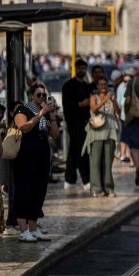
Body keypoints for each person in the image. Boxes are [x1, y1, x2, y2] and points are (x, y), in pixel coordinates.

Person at [10, 86, 56, 243]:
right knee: (25, 189)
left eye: (44, 94)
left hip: (42, 155)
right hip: (25, 156)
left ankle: (33, 228)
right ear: (31, 95)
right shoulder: (22, 110)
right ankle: (23, 230)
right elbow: (24, 127)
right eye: (39, 94)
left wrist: (52, 116)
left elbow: (54, 134)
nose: (42, 97)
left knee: (39, 190)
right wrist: (40, 114)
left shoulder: (46, 114)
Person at [60, 58, 93, 190]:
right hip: (73, 122)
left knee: (74, 150)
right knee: (81, 151)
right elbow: (67, 104)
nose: (81, 71)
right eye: (79, 68)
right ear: (76, 69)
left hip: (85, 123)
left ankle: (70, 179)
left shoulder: (86, 86)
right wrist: (80, 104)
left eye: (83, 68)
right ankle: (86, 180)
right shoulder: (68, 86)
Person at [85, 77, 120, 196]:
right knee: (95, 162)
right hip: (96, 133)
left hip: (110, 132)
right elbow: (94, 109)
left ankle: (108, 188)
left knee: (108, 163)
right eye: (101, 84)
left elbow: (118, 113)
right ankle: (96, 188)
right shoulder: (94, 97)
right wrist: (105, 100)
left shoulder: (111, 99)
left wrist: (114, 101)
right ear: (97, 86)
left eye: (105, 84)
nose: (104, 86)